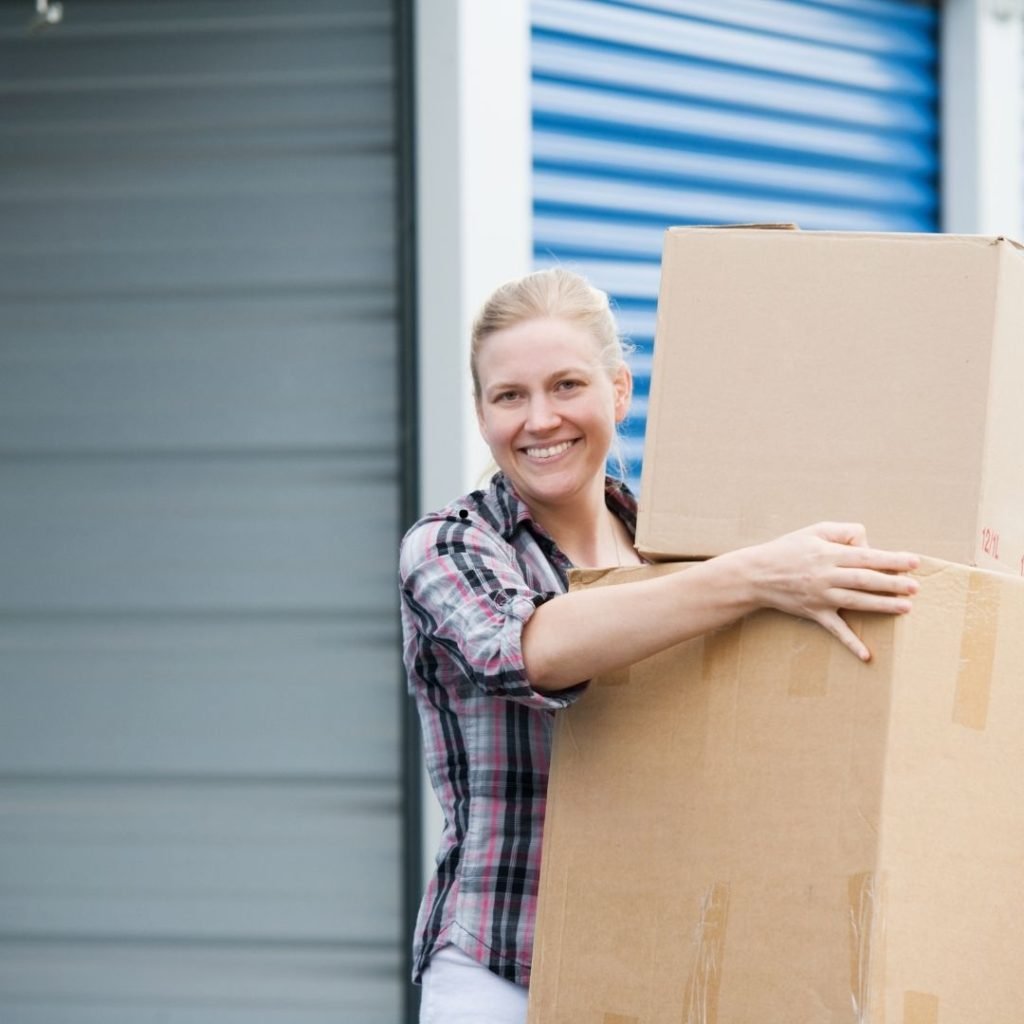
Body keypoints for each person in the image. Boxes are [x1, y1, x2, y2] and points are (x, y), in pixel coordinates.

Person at [399, 268, 919, 1024]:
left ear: (618, 391)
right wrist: (755, 576)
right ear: (482, 414)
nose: (540, 419)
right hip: (505, 972)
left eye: (567, 385)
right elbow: (529, 649)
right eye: (509, 396)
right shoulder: (449, 546)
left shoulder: (674, 551)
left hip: (658, 968)